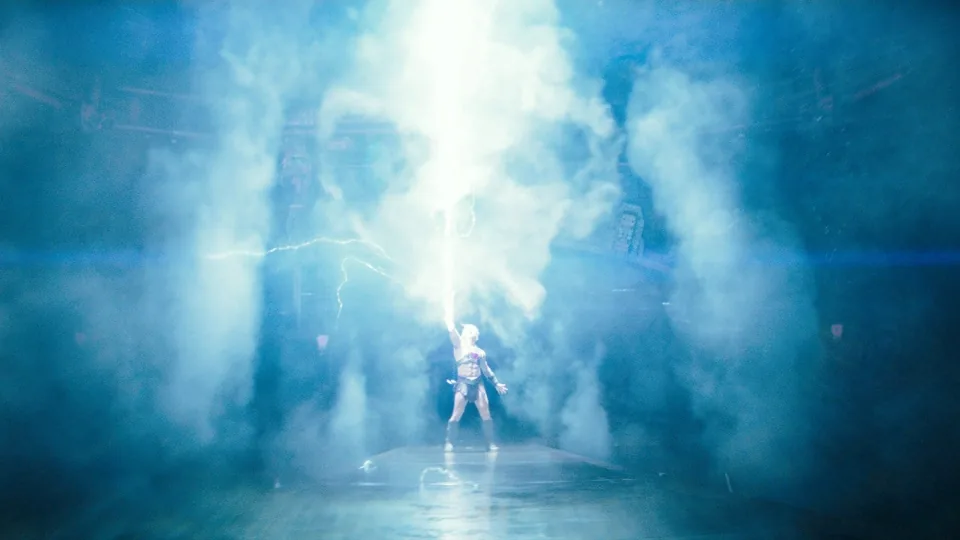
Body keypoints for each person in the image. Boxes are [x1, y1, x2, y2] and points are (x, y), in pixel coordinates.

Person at [444, 317, 507, 452]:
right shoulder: (459, 346)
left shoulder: (480, 352)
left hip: (478, 384)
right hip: (463, 383)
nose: (472, 333)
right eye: (470, 330)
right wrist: (450, 324)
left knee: (486, 413)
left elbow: (486, 369)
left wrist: (496, 383)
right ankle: (450, 442)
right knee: (456, 414)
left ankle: (489, 443)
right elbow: (453, 333)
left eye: (474, 331)